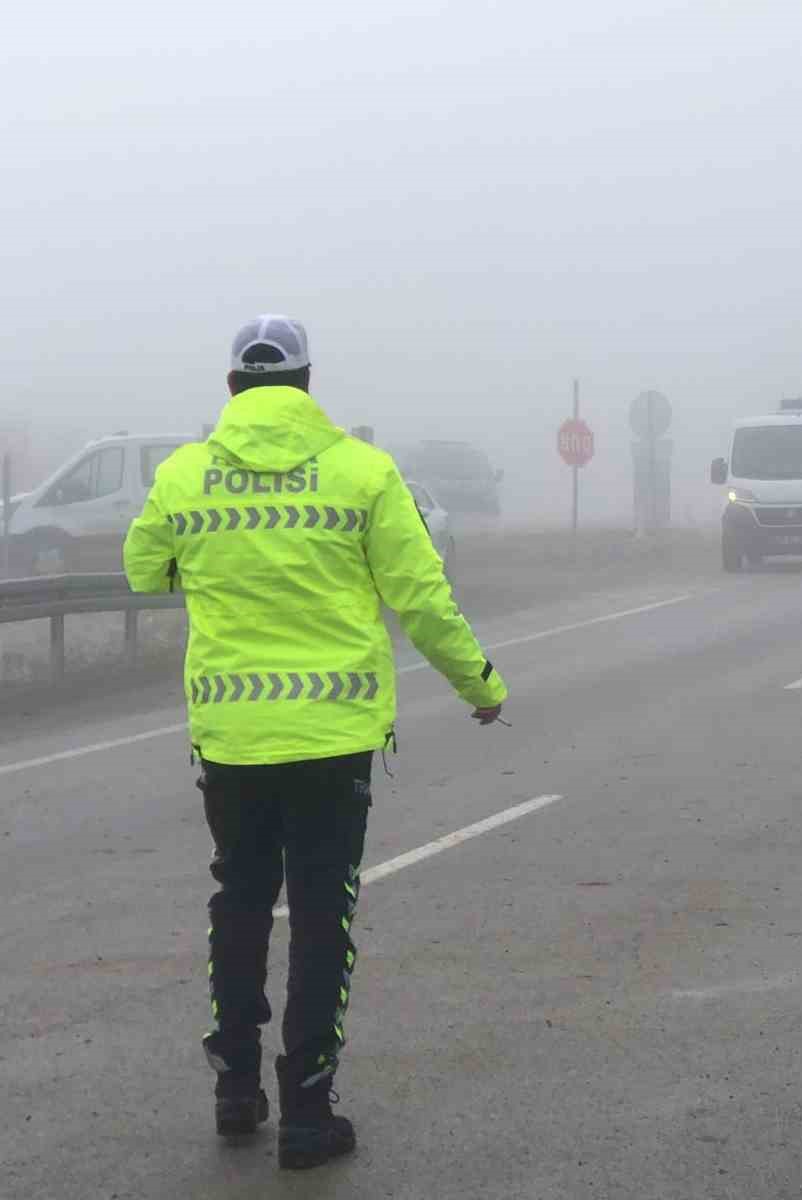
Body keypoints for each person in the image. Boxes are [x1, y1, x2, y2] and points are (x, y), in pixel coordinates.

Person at [124, 315, 508, 1170]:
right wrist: (481, 687)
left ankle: (234, 1087)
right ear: (306, 383)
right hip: (332, 741)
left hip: (231, 739)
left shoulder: (185, 475)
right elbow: (421, 598)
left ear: (232, 388)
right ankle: (306, 1110)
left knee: (242, 900)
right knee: (322, 911)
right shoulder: (363, 473)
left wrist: (218, 564)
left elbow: (144, 569)